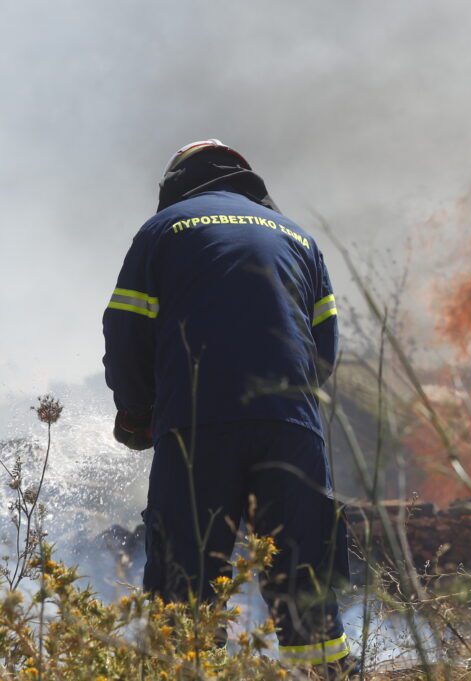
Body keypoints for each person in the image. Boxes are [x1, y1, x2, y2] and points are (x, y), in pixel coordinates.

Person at [102, 139, 355, 676]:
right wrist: (286, 406)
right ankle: (322, 673)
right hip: (292, 426)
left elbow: (126, 333)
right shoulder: (300, 237)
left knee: (186, 576)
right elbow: (325, 348)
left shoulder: (162, 230)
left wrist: (137, 413)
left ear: (177, 182)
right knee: (303, 572)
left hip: (198, 423)